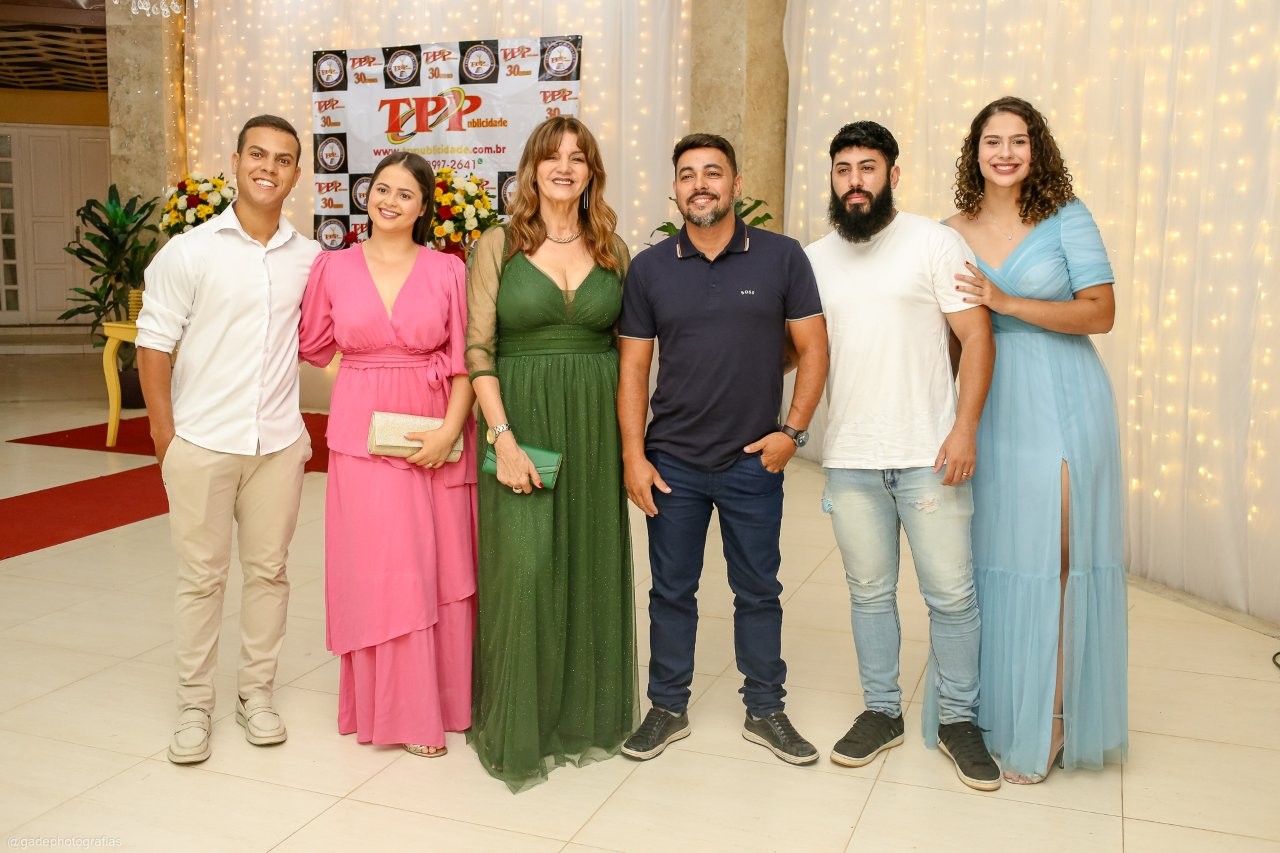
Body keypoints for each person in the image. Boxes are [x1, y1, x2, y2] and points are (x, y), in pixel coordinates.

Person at [618, 133, 829, 766]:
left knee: (758, 591)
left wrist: (792, 433)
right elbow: (633, 370)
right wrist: (633, 456)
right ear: (675, 189)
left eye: (713, 173)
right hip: (672, 462)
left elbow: (814, 348)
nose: (700, 184)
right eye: (688, 175)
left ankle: (766, 709)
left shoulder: (781, 257)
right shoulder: (650, 268)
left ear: (736, 184)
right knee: (670, 592)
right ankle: (667, 707)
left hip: (751, 461)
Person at [805, 121, 1001, 791]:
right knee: (869, 594)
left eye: (867, 167)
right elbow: (799, 350)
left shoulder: (933, 242)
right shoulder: (814, 259)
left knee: (951, 594)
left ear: (892, 174)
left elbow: (977, 337)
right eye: (843, 169)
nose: (854, 181)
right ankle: (881, 710)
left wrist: (965, 429)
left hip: (929, 453)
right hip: (850, 458)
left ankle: (960, 721)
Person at [944, 96, 1127, 784]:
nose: (1005, 153)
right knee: (989, 554)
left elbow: (1101, 313)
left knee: (1056, 555)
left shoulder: (1068, 217)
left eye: (1018, 140)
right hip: (988, 404)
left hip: (1063, 397)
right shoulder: (949, 231)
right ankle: (985, 709)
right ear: (975, 151)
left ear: (1036, 149)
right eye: (993, 141)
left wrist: (1006, 302)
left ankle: (1050, 716)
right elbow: (948, 335)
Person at [137, 115, 319, 764]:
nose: (269, 167)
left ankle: (256, 694)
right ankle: (194, 704)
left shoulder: (309, 259)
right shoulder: (189, 251)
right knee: (201, 579)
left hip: (278, 445)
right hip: (202, 442)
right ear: (236, 161)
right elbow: (153, 345)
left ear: (296, 174)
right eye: (258, 155)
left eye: (283, 159)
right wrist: (166, 439)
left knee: (269, 573)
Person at [465, 115, 637, 792]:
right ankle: (519, 724)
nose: (565, 167)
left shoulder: (613, 248)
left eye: (578, 157)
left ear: (592, 171)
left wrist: (631, 444)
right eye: (552, 156)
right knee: (526, 568)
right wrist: (502, 438)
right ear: (532, 168)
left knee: (588, 563)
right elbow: (479, 349)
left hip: (593, 426)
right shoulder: (499, 245)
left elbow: (631, 354)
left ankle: (581, 719)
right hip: (522, 422)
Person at [299, 152, 477, 758]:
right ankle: (396, 711)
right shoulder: (332, 267)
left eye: (405, 193)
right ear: (366, 196)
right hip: (362, 437)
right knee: (381, 569)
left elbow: (467, 360)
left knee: (438, 565)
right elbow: (313, 344)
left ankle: (443, 704)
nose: (390, 201)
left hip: (436, 431)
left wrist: (448, 431)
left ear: (424, 207)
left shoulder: (449, 270)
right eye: (381, 189)